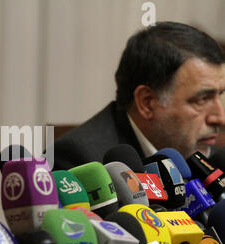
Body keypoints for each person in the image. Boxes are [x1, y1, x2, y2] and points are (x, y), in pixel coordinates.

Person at [52, 21, 225, 171]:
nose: (220, 118)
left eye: (220, 95)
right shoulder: (82, 161)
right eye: (202, 99)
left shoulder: (209, 154)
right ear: (147, 103)